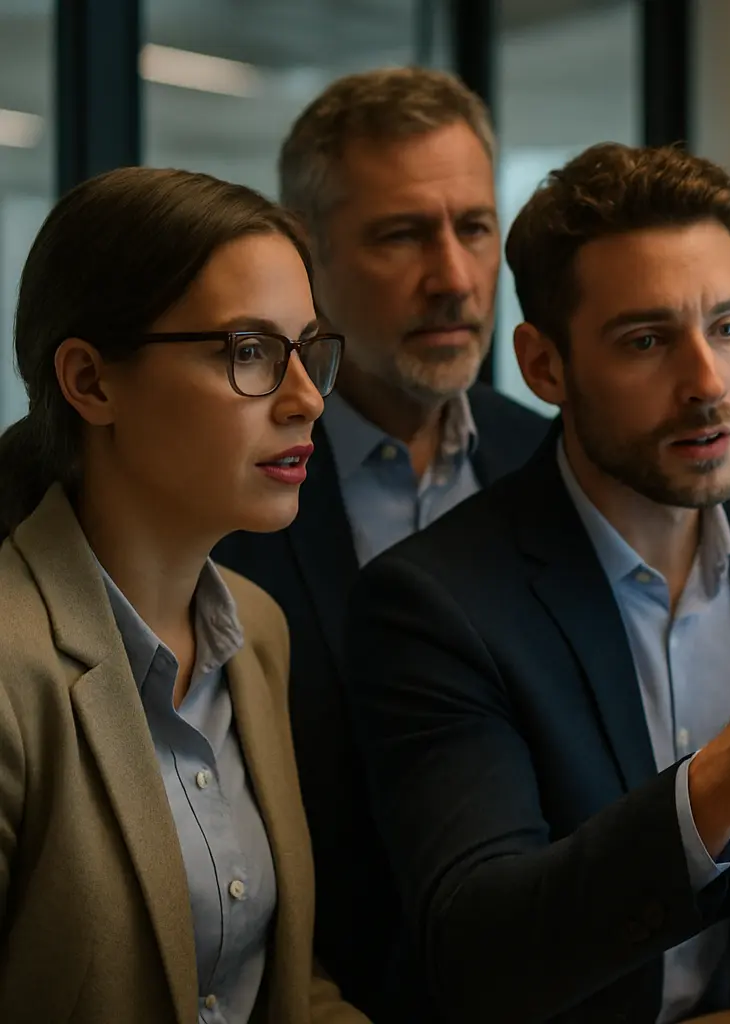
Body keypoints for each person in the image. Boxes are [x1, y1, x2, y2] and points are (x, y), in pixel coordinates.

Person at [344, 141, 730, 1024]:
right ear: (544, 366)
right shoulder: (432, 603)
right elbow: (477, 951)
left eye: (728, 327)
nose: (706, 383)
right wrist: (718, 785)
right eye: (647, 341)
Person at [211, 67, 549, 1018]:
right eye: (402, 235)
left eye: (474, 228)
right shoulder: (223, 499)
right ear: (305, 251)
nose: (454, 279)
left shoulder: (550, 461)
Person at [0, 167, 367, 1023]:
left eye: (306, 349)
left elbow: (282, 988)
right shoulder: (12, 671)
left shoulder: (257, 631)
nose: (306, 400)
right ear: (91, 382)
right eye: (248, 352)